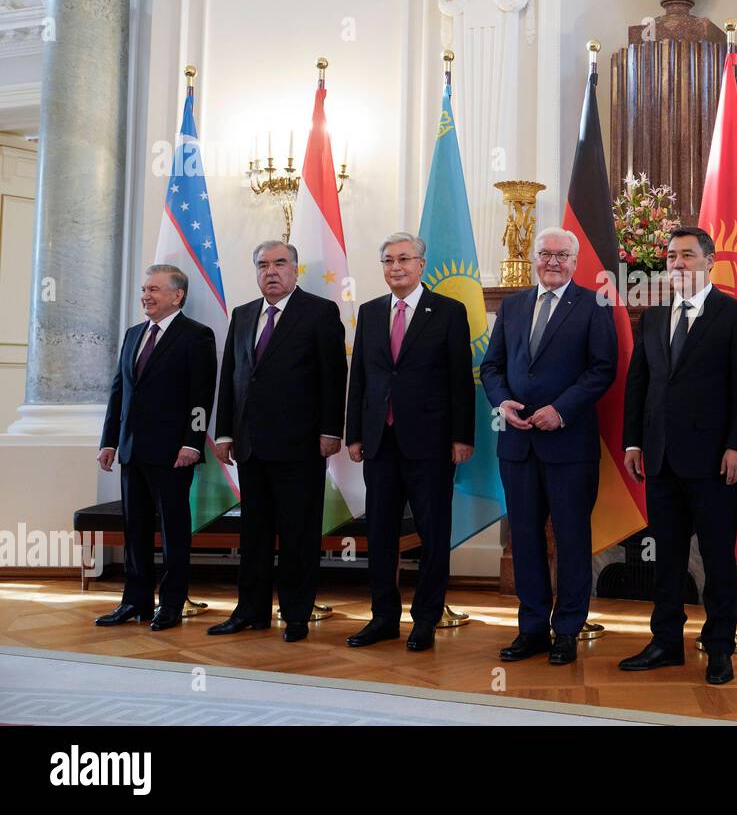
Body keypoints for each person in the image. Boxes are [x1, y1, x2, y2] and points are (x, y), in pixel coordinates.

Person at [619, 227, 737, 685]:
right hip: (660, 457)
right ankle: (665, 643)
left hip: (715, 461)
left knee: (718, 558)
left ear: (709, 261)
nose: (677, 263)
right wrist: (633, 441)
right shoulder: (654, 317)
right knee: (666, 559)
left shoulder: (736, 317)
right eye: (671, 255)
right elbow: (638, 385)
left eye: (686, 255)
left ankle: (718, 646)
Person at [479, 227, 617, 665]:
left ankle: (567, 630)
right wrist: (502, 400)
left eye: (561, 255)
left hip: (569, 444)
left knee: (573, 540)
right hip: (517, 445)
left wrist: (561, 409)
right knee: (524, 539)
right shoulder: (514, 304)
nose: (552, 261)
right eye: (545, 254)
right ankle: (532, 628)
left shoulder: (594, 304)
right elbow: (491, 366)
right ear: (534, 258)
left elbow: (602, 369)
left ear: (576, 262)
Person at [208, 241, 347, 643]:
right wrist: (224, 432)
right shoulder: (244, 313)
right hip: (250, 445)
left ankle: (296, 614)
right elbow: (232, 376)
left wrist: (330, 431)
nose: (271, 271)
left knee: (298, 534)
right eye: (263, 264)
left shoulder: (319, 312)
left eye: (280, 263)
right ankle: (250, 611)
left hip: (300, 445)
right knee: (253, 534)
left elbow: (332, 376)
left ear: (295, 269)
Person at [344, 233, 475, 652]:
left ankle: (425, 619)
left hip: (432, 444)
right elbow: (360, 377)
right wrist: (355, 434)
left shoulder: (450, 312)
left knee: (433, 535)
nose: (395, 267)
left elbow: (460, 380)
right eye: (388, 260)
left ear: (421, 264)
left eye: (404, 259)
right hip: (379, 443)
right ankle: (383, 617)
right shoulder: (369, 311)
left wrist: (461, 437)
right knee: (380, 533)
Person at [95, 265, 217, 631]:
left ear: (178, 295)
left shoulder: (196, 336)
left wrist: (192, 443)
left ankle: (172, 606)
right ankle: (135, 602)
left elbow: (201, 397)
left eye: (155, 289)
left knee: (174, 533)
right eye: (144, 289)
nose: (146, 295)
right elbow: (119, 392)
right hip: (132, 452)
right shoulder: (133, 335)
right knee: (135, 530)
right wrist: (109, 441)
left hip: (173, 455)